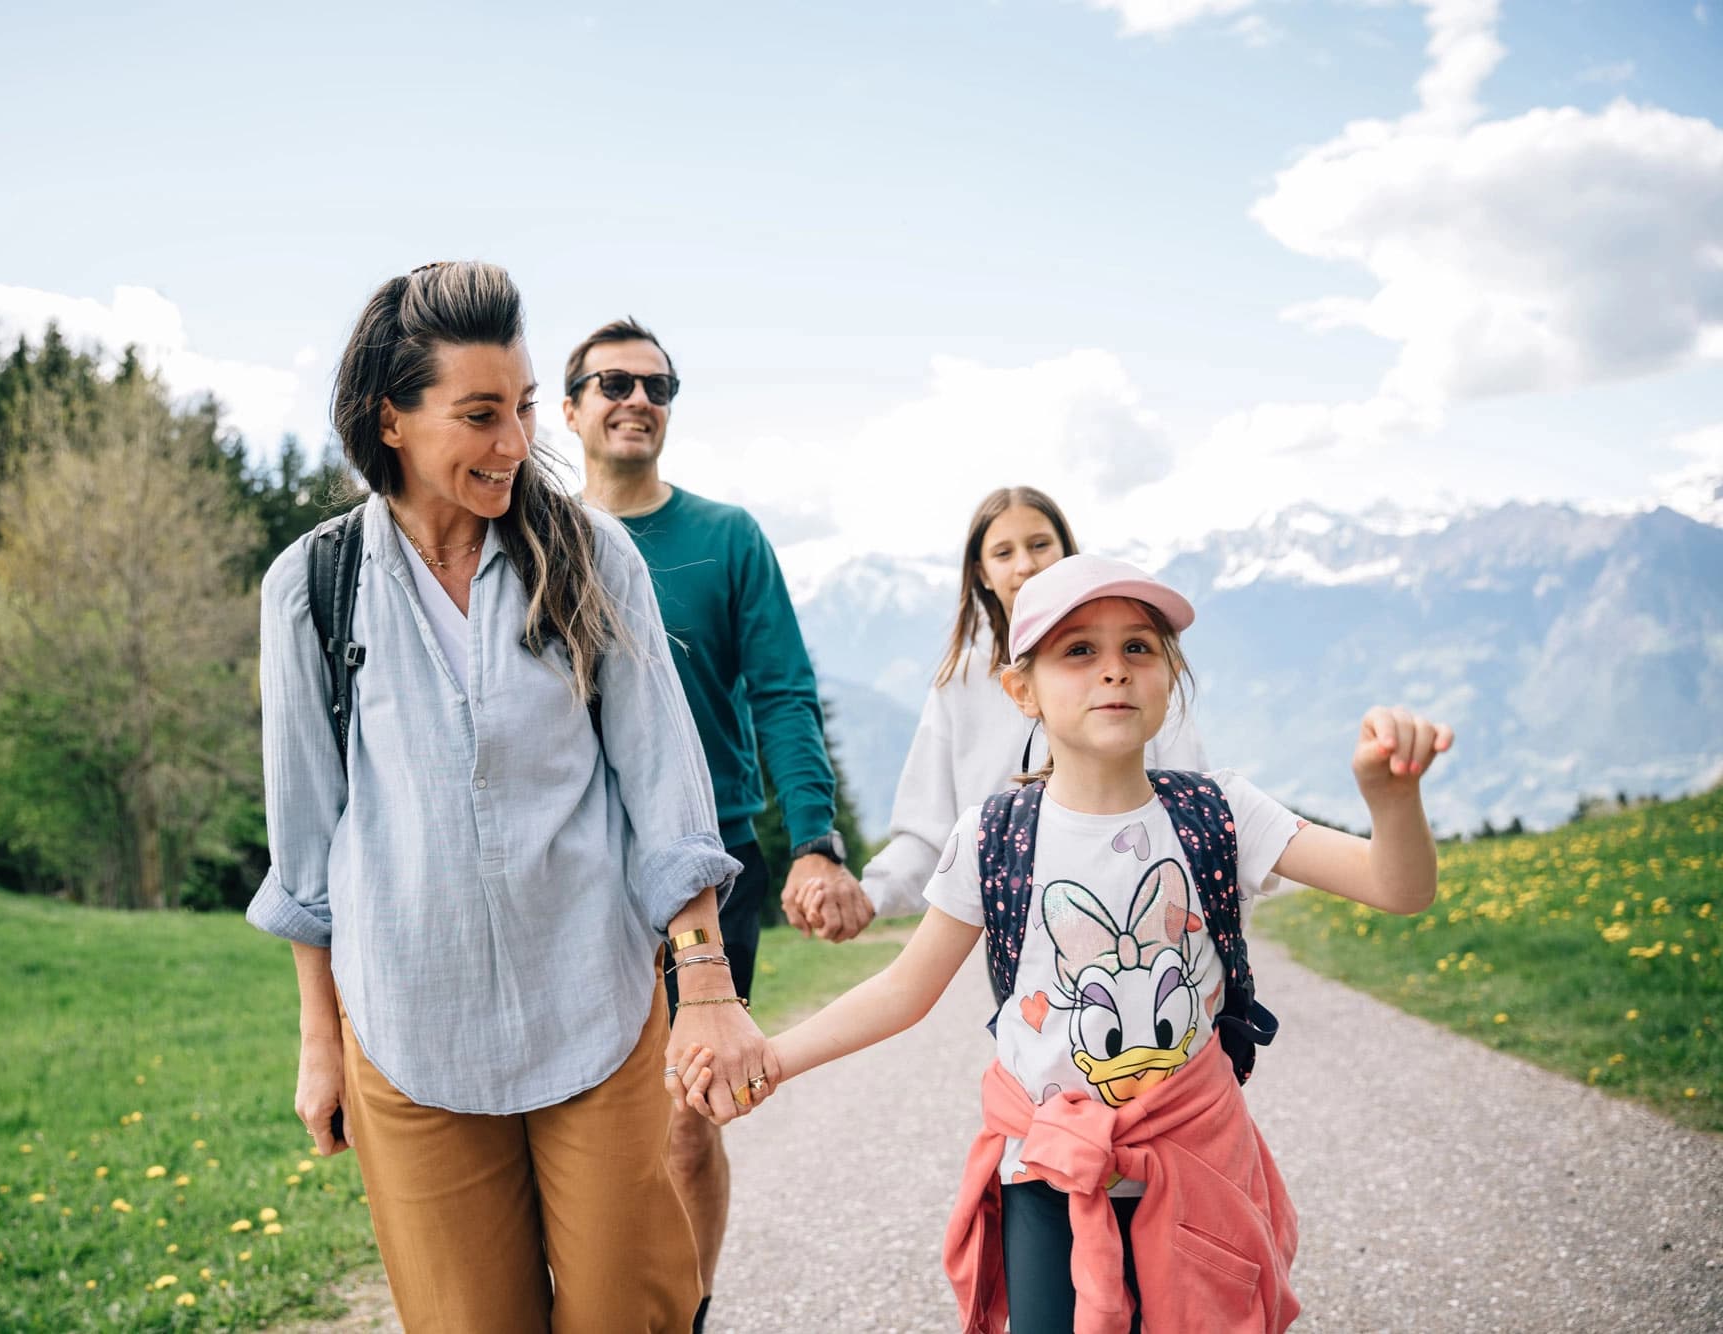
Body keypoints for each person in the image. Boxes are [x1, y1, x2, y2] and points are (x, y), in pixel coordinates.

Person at [677, 554, 1453, 1333]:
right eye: (1079, 651)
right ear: (1022, 691)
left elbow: (1398, 887)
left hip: (1196, 1168)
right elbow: (902, 990)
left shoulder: (1222, 812)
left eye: (1139, 648)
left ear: (1170, 677)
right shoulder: (992, 837)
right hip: (1046, 1174)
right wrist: (774, 1059)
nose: (1113, 671)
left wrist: (1393, 801)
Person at [248, 263, 776, 1334]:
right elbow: (305, 843)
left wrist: (707, 981)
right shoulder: (311, 586)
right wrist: (320, 1040)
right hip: (408, 1026)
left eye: (525, 406)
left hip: (593, 1004)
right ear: (388, 417)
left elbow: (665, 787)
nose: (512, 441)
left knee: (631, 1312)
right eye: (479, 414)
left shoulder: (588, 553)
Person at [564, 316, 866, 1330]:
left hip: (711, 858)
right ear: (568, 409)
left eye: (657, 385)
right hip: (568, 869)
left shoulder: (725, 537)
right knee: (582, 1119)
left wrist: (814, 840)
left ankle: (684, 1314)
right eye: (611, 381)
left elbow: (782, 691)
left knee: (692, 1114)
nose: (635, 398)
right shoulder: (536, 537)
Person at [787, 486, 1208, 940]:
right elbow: (930, 836)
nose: (1025, 564)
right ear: (982, 573)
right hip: (1020, 941)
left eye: (1040, 544)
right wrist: (867, 896)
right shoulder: (960, 683)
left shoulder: (1127, 668)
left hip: (1146, 916)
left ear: (1068, 552)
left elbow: (1197, 810)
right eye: (1004, 552)